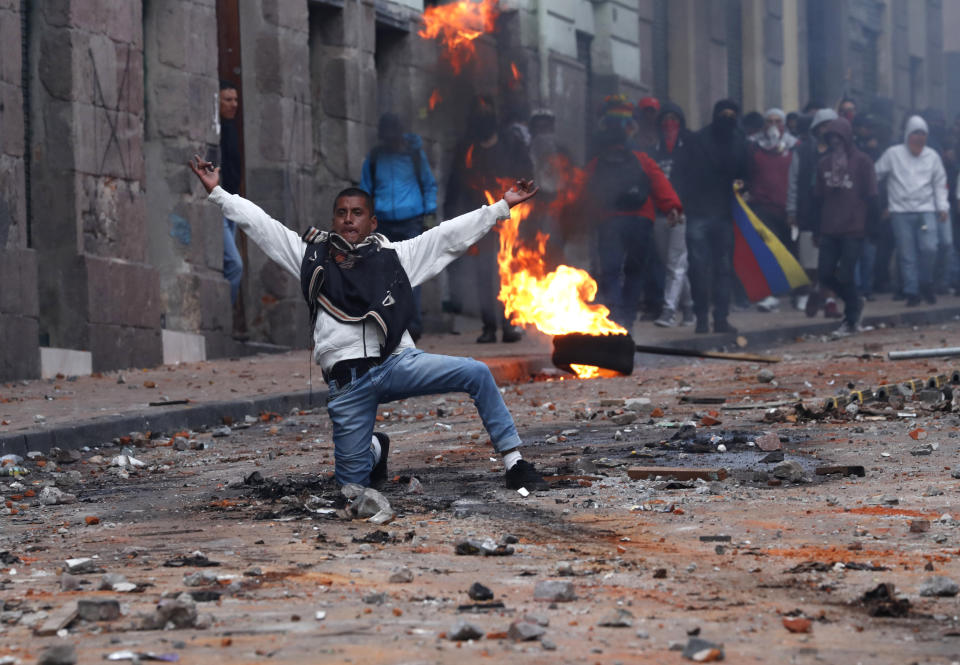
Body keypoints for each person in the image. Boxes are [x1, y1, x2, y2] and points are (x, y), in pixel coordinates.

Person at [188, 155, 550, 491]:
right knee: (352, 490)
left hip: (396, 364)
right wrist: (218, 193)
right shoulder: (311, 259)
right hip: (348, 387)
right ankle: (375, 449)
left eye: (357, 213)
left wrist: (502, 207)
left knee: (476, 372)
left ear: (371, 221)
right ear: (334, 220)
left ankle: (514, 462)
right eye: (342, 213)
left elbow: (447, 237)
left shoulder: (395, 257)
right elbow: (262, 226)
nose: (349, 219)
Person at [585, 99, 683, 331]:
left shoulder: (596, 164)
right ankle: (628, 318)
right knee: (635, 271)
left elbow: (583, 192)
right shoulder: (642, 159)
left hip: (609, 221)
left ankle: (615, 316)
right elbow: (661, 184)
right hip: (641, 220)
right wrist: (673, 207)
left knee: (610, 270)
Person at [444, 96, 532, 343]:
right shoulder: (467, 149)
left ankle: (509, 325)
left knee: (509, 270)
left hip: (509, 219)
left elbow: (527, 175)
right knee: (484, 274)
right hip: (479, 220)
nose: (483, 114)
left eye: (487, 109)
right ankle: (489, 327)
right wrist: (450, 219)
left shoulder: (510, 143)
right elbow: (455, 186)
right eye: (478, 110)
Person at [673, 99, 749, 334]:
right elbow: (681, 173)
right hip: (698, 212)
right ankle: (702, 318)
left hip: (725, 214)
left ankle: (721, 318)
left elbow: (747, 173)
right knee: (698, 268)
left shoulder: (740, 143)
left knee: (723, 268)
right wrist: (679, 204)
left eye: (731, 114)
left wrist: (743, 186)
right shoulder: (697, 141)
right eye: (723, 114)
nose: (727, 119)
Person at [360, 113, 438, 341]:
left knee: (411, 274)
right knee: (384, 276)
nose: (391, 142)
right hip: (383, 223)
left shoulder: (414, 155)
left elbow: (428, 184)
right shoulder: (375, 158)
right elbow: (365, 191)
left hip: (411, 221)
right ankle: (390, 325)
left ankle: (412, 326)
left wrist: (429, 215)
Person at [814, 118, 880, 335]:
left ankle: (850, 319)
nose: (835, 141)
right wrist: (815, 228)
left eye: (839, 137)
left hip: (854, 226)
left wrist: (872, 227)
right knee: (824, 274)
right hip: (828, 226)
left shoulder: (863, 161)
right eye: (831, 137)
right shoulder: (823, 163)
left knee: (846, 275)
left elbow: (872, 196)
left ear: (847, 137)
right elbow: (818, 197)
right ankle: (855, 301)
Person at [875, 115, 949, 306]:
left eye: (923, 134)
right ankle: (911, 291)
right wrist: (880, 204)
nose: (919, 138)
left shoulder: (932, 156)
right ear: (908, 134)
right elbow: (875, 175)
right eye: (915, 133)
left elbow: (940, 183)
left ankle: (925, 282)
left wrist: (942, 207)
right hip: (900, 212)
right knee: (906, 254)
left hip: (926, 211)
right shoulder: (893, 154)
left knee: (929, 247)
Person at [746, 108, 797, 312]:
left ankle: (797, 293)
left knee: (790, 251)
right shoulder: (753, 146)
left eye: (778, 121)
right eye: (770, 121)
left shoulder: (795, 146)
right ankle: (767, 293)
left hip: (788, 206)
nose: (774, 125)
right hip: (762, 205)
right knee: (767, 250)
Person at [787, 108, 838, 314]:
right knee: (811, 262)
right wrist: (791, 211)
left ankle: (829, 301)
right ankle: (813, 292)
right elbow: (793, 182)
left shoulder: (841, 151)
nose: (828, 130)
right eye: (824, 126)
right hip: (808, 213)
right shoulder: (803, 151)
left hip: (835, 214)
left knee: (833, 261)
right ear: (816, 129)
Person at [650, 101, 695, 327]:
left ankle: (668, 310)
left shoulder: (688, 150)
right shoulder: (653, 150)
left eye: (674, 120)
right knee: (672, 263)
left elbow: (691, 183)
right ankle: (688, 308)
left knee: (675, 262)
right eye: (665, 120)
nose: (670, 125)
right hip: (659, 215)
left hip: (680, 214)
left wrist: (680, 208)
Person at [219, 81, 244, 312]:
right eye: (228, 99)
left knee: (230, 265)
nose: (233, 104)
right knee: (235, 265)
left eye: (235, 99)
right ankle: (223, 316)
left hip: (231, 207)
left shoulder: (232, 129)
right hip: (218, 207)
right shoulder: (217, 131)